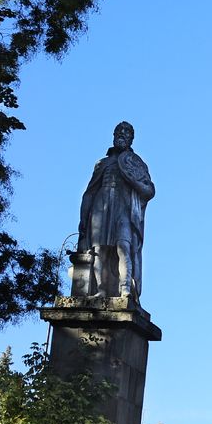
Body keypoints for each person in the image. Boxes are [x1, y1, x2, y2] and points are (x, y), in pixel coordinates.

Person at [77, 121, 155, 300]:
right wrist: (83, 220)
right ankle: (102, 290)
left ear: (131, 139)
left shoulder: (135, 163)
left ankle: (125, 289)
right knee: (99, 251)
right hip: (100, 207)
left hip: (123, 209)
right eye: (119, 131)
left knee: (123, 247)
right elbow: (89, 192)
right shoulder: (102, 163)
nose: (122, 134)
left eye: (127, 133)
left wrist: (133, 181)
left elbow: (149, 190)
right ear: (113, 135)